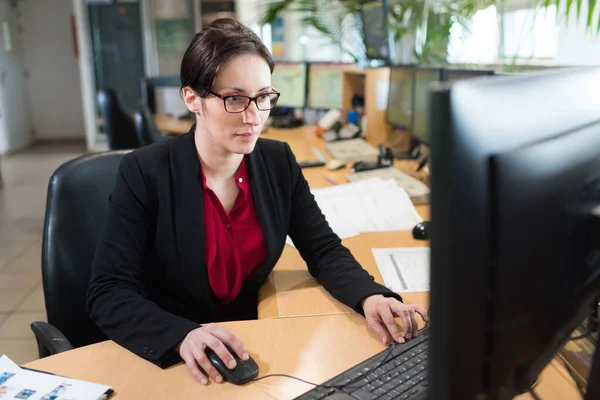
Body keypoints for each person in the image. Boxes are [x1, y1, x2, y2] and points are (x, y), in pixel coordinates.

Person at [87, 18, 428, 386]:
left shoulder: (277, 161)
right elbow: (107, 291)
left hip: (255, 344)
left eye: (263, 97)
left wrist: (370, 297)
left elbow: (324, 250)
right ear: (192, 99)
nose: (253, 117)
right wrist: (181, 335)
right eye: (235, 98)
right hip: (179, 356)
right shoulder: (145, 171)